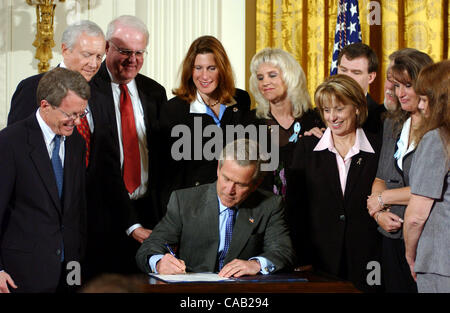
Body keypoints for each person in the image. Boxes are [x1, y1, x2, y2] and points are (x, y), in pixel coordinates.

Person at [136, 139, 296, 277]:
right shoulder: (184, 200)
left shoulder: (270, 205)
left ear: (256, 184)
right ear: (219, 168)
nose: (229, 190)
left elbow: (283, 252)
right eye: (226, 178)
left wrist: (257, 264)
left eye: (240, 184)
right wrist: (158, 263)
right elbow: (149, 248)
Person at [84, 15, 167, 279]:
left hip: (148, 215)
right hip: (101, 218)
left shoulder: (155, 92)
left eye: (139, 52)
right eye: (125, 51)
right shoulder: (85, 89)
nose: (133, 60)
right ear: (107, 47)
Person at [286, 74, 382, 292]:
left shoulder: (378, 148)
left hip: (370, 261)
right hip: (320, 262)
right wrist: (300, 258)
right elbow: (295, 210)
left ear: (357, 107)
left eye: (339, 109)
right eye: (326, 110)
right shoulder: (307, 148)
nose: (332, 117)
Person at [0, 68, 89, 293]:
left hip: (69, 271)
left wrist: (77, 265)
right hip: (20, 274)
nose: (76, 122)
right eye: (69, 114)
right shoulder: (10, 142)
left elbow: (76, 210)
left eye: (81, 113)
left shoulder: (76, 142)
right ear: (45, 105)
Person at [366, 50, 433, 293]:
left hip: (426, 238)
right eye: (396, 85)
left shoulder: (440, 128)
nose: (400, 93)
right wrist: (379, 214)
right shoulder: (392, 123)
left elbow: (428, 187)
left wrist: (380, 200)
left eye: (408, 85)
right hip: (390, 235)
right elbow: (381, 177)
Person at [159, 35, 250, 209]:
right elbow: (166, 173)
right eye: (198, 68)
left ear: (222, 70)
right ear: (189, 70)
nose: (204, 76)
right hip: (194, 205)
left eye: (211, 68)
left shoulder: (241, 100)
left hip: (236, 201)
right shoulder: (174, 110)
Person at [246, 48, 323, 199]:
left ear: (290, 77)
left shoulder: (314, 120)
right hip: (263, 211)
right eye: (260, 78)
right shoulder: (249, 122)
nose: (265, 82)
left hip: (308, 209)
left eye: (272, 75)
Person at [404, 60, 450, 293]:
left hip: (440, 263)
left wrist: (411, 255)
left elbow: (415, 217)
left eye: (424, 99)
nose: (420, 106)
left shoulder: (436, 139)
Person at [8, 20, 105, 126]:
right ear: (65, 50)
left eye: (99, 57)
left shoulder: (101, 90)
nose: (94, 64)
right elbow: (15, 138)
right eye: (87, 55)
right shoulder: (31, 87)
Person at [337, 42, 384, 136]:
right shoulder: (318, 115)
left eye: (356, 72)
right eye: (343, 70)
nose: (347, 77)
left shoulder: (382, 118)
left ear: (371, 77)